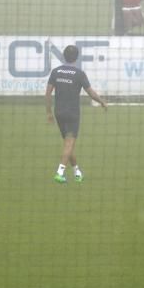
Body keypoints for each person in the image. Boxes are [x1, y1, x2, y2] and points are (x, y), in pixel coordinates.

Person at [45, 44, 108, 183]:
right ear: (77, 58)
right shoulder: (79, 74)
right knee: (69, 143)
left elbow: (48, 93)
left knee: (68, 143)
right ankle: (60, 172)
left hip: (59, 113)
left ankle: (76, 171)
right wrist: (102, 101)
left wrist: (49, 112)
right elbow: (90, 93)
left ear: (64, 56)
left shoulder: (56, 72)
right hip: (73, 114)